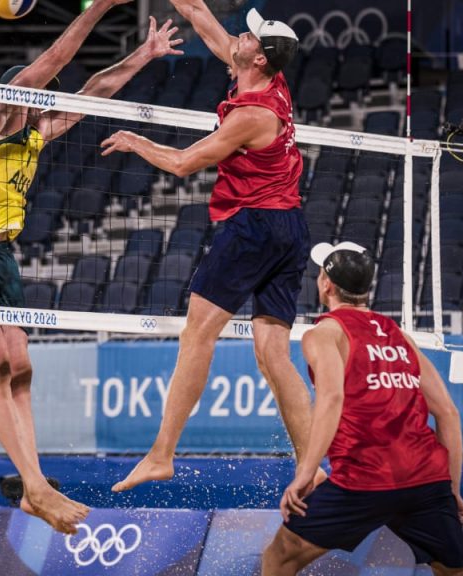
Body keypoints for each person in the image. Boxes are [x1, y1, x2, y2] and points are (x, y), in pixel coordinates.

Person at [0, 1, 184, 534]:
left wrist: (144, 52)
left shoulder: (35, 136)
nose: (45, 97)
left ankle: (33, 486)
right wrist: (100, 9)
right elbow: (52, 59)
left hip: (1, 256)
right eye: (37, 92)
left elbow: (96, 90)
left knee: (22, 368)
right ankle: (35, 486)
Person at [104, 3, 316, 492]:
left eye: (249, 37)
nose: (240, 35)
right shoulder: (266, 77)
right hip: (289, 228)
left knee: (198, 333)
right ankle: (311, 468)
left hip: (255, 230)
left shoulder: (251, 114)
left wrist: (137, 141)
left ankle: (161, 454)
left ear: (259, 57)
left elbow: (181, 164)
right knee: (272, 355)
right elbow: (198, 13)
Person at [262, 242, 463, 576]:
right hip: (425, 479)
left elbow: (331, 399)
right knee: (457, 573)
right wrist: (451, 489)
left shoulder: (325, 334)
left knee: (279, 558)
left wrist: (305, 472)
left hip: (363, 480)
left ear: (326, 285)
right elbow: (448, 413)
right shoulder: (401, 336)